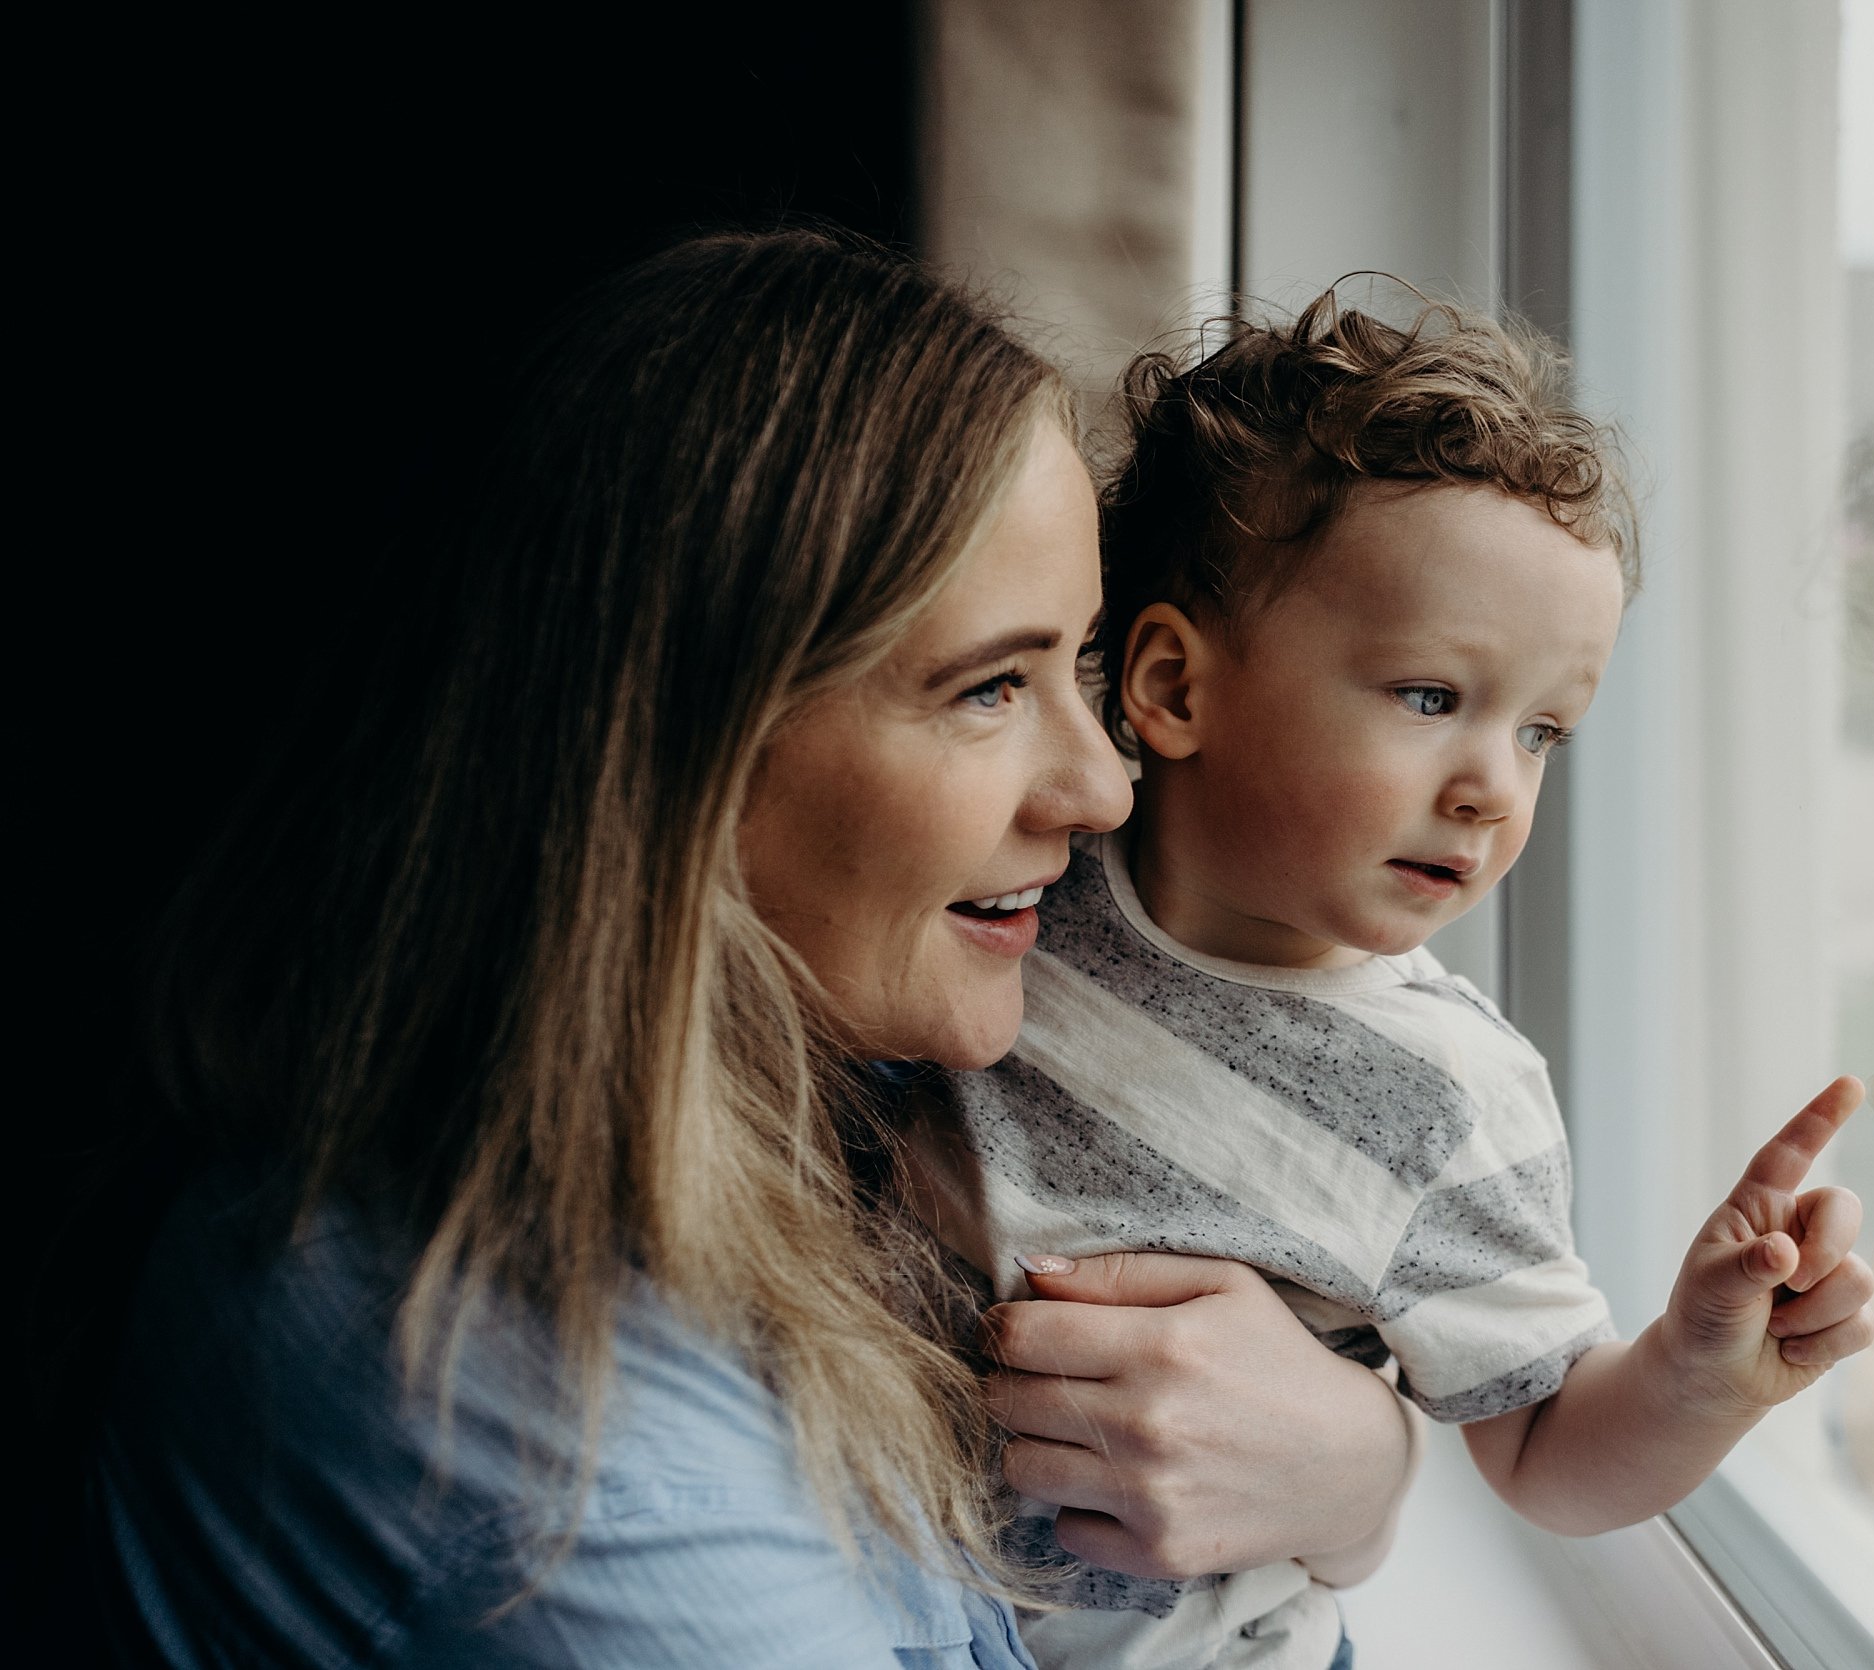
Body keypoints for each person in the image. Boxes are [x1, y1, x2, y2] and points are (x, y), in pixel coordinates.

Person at [88, 232, 1420, 1668]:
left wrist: (1354, 1468)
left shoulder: (843, 1130)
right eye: (985, 688)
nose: (1101, 789)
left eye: (1077, 666)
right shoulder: (570, 1455)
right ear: (676, 757)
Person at [904, 293, 1874, 1670]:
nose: (1492, 786)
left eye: (1545, 730)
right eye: (1432, 696)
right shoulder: (1027, 891)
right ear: (1174, 685)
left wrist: (1696, 1372)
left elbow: (1544, 1450)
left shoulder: (1452, 1096)